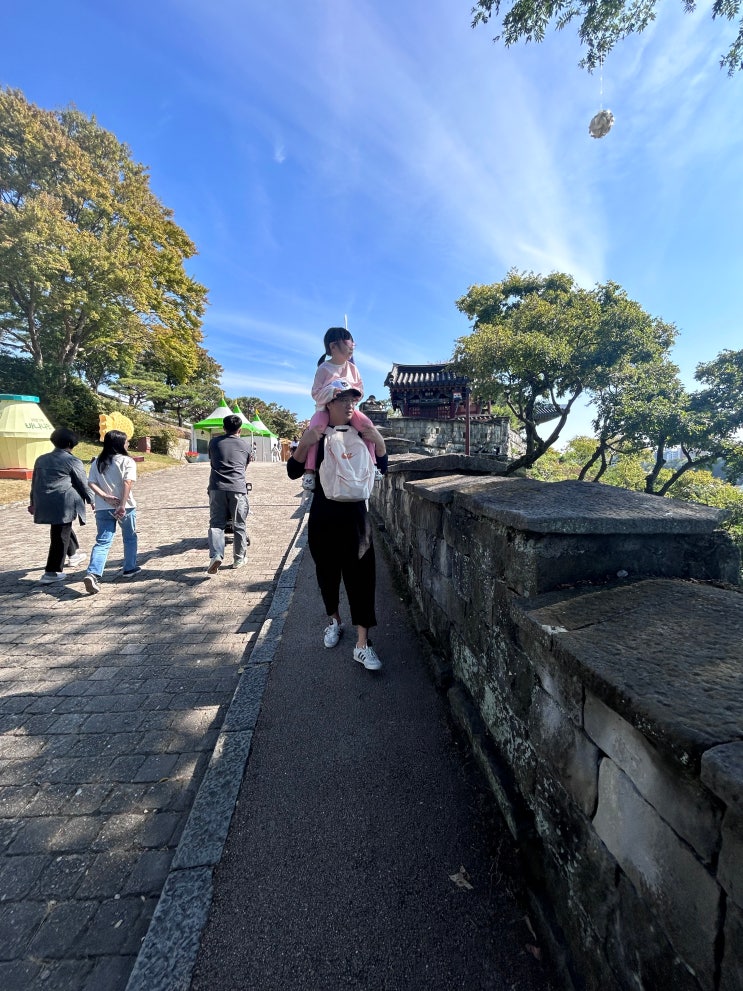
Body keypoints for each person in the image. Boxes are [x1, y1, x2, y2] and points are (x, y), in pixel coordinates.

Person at [287, 386, 388, 671]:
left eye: (352, 400)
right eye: (342, 400)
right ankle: (334, 621)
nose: (349, 404)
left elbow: (382, 468)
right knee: (327, 575)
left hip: (356, 517)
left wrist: (380, 442)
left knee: (363, 578)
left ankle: (362, 644)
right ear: (328, 404)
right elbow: (293, 472)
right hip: (324, 516)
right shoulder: (318, 434)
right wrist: (304, 444)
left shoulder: (362, 432)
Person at [301, 327, 376, 492]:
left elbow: (360, 390)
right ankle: (309, 471)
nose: (351, 348)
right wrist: (331, 393)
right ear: (333, 346)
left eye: (352, 345)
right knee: (315, 431)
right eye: (348, 345)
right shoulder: (324, 368)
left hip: (349, 409)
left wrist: (351, 396)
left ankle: (373, 463)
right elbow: (315, 393)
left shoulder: (353, 369)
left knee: (368, 427)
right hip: (324, 409)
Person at [28, 427, 94, 584]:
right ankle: (51, 572)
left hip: (45, 501)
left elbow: (35, 483)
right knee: (60, 535)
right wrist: (93, 500)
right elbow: (83, 483)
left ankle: (73, 555)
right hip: (64, 502)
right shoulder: (72, 461)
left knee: (62, 529)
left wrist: (33, 502)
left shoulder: (41, 459)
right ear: (71, 443)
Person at [84, 430, 139, 594]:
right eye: (126, 441)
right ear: (120, 444)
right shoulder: (127, 461)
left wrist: (104, 496)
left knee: (103, 541)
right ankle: (129, 568)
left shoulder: (97, 461)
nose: (128, 444)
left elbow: (91, 482)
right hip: (125, 506)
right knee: (129, 537)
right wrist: (122, 504)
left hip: (103, 507)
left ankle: (93, 573)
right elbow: (127, 483)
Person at [206, 414, 252, 575]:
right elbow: (245, 465)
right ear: (240, 429)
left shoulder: (214, 442)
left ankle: (216, 555)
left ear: (223, 428)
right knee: (239, 524)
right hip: (237, 487)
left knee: (216, 524)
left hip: (216, 487)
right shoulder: (245, 445)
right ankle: (239, 558)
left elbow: (213, 461)